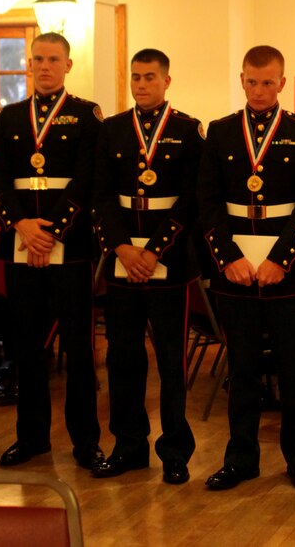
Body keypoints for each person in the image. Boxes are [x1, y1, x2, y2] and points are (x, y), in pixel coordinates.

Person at [198, 44, 295, 492]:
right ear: (242, 80)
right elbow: (207, 202)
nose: (258, 90)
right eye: (251, 81)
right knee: (242, 369)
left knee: (294, 371)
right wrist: (228, 257)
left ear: (282, 83)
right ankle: (240, 459)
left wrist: (280, 260)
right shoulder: (221, 132)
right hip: (235, 269)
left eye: (268, 81)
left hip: (286, 270)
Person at [0, 32, 106, 470]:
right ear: (28, 64)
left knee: (78, 349)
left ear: (68, 65)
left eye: (54, 59)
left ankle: (85, 440)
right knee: (27, 347)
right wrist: (20, 225)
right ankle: (31, 437)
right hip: (21, 244)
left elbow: (87, 180)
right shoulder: (10, 117)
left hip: (69, 246)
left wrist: (51, 231)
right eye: (38, 59)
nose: (45, 66)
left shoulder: (85, 115)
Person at [91, 48, 202, 484]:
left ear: (167, 81)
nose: (141, 85)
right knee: (123, 359)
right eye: (135, 77)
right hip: (123, 263)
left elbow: (192, 200)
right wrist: (121, 248)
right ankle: (129, 446)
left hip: (168, 261)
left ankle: (175, 452)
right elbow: (101, 196)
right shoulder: (113, 130)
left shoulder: (188, 131)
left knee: (171, 361)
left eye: (150, 77)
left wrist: (153, 250)